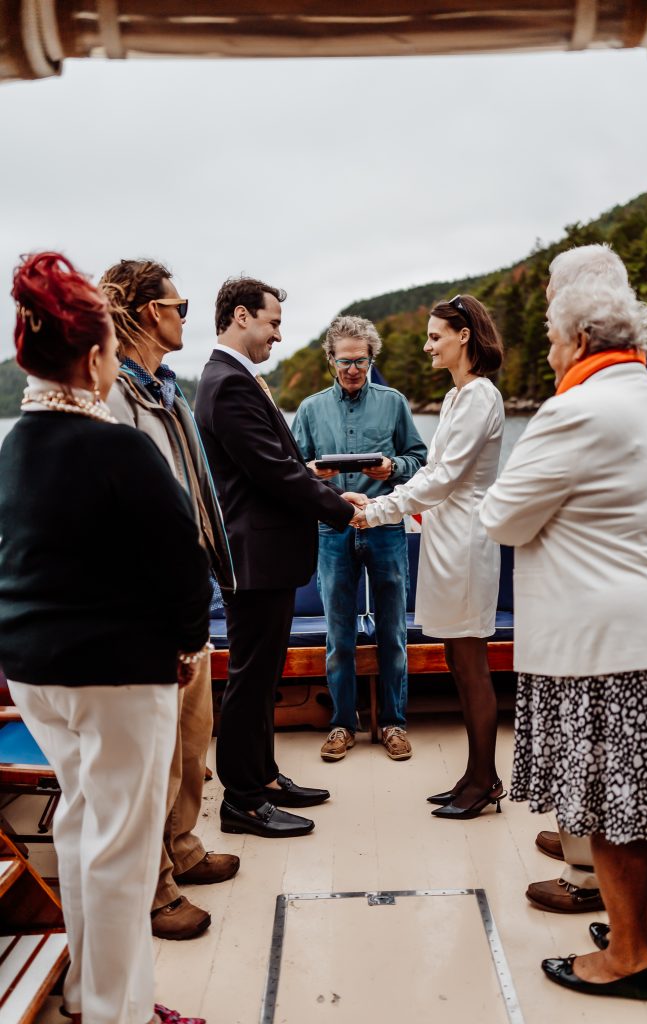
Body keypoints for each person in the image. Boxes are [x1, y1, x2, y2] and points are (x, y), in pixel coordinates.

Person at [0, 252, 211, 1024]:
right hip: (116, 675)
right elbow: (182, 562)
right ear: (93, 358)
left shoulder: (14, 446)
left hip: (35, 674)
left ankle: (94, 996)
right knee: (122, 856)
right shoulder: (118, 447)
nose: (117, 359)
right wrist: (189, 647)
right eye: (114, 349)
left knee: (87, 827)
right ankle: (119, 1017)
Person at [480, 274, 647, 999]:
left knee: (612, 808)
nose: (546, 351)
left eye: (549, 338)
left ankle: (625, 958)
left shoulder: (575, 411)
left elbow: (501, 517)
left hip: (604, 648)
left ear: (579, 341)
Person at [99, 259, 240, 942]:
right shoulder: (115, 399)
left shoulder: (166, 392)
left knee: (190, 741)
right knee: (150, 754)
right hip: (147, 606)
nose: (186, 315)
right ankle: (154, 890)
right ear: (148, 313)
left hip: (190, 593)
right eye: (179, 304)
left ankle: (183, 848)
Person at [194, 276, 357, 838]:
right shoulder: (228, 382)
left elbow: (273, 466)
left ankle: (262, 777)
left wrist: (319, 481)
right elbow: (270, 471)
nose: (278, 336)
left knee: (263, 676)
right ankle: (241, 799)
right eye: (273, 323)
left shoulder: (237, 379)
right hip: (253, 556)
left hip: (264, 553)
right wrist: (340, 507)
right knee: (249, 676)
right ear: (241, 316)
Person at [350, 294, 505, 819]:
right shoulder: (459, 397)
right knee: (460, 664)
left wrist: (375, 510)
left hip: (466, 543)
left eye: (435, 335)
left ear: (464, 336)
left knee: (470, 664)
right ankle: (475, 774)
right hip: (445, 539)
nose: (427, 345)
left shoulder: (481, 396)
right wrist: (391, 503)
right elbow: (431, 478)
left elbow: (440, 478)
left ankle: (483, 781)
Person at [292, 315, 427, 761]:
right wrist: (315, 472)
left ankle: (393, 723)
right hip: (331, 530)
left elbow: (417, 458)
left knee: (392, 630)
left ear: (372, 359)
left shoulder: (394, 403)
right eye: (346, 361)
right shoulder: (310, 409)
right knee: (339, 634)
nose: (354, 369)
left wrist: (392, 469)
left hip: (385, 526)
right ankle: (342, 726)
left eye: (362, 361)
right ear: (331, 360)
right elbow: (294, 470)